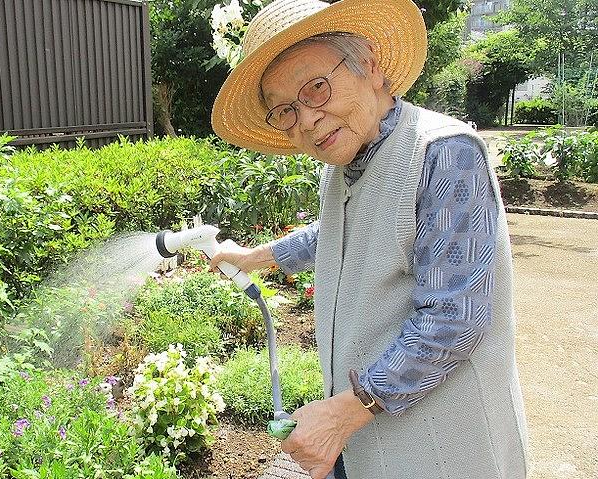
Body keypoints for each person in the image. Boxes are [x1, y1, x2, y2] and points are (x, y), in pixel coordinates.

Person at [207, 0, 529, 478]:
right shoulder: (345, 165)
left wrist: (342, 413)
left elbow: (454, 319)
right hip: (369, 440)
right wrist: (258, 256)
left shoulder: (443, 153)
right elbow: (342, 232)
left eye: (316, 88)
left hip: (443, 449)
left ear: (372, 68)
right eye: (285, 111)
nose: (307, 119)